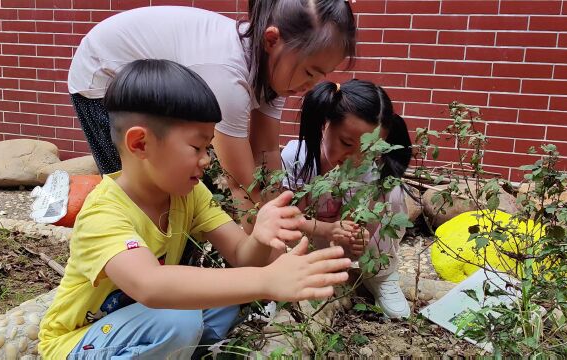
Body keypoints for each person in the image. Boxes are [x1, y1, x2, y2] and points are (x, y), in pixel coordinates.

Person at [39, 59, 352, 359]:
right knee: (180, 320)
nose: (207, 160)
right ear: (140, 144)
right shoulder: (104, 213)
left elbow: (241, 256)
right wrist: (268, 280)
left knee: (227, 299)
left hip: (144, 323)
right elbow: (150, 285)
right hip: (80, 340)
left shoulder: (189, 193)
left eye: (208, 147)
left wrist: (258, 237)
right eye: (196, 147)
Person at [68, 1, 357, 231]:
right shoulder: (228, 77)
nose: (312, 85)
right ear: (272, 40)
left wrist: (277, 211)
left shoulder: (277, 73)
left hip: (160, 88)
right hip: (103, 78)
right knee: (137, 193)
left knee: (188, 189)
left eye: (322, 75)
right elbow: (241, 185)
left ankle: (178, 265)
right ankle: (129, 273)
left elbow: (267, 152)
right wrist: (267, 259)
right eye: (310, 71)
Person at [280, 79, 413, 319]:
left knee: (391, 189)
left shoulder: (366, 168)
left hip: (338, 240)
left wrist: (359, 234)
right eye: (346, 143)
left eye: (368, 150)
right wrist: (329, 229)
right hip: (307, 239)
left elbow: (355, 219)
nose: (354, 158)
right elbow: (289, 219)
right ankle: (284, 278)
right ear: (324, 124)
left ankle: (381, 275)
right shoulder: (295, 157)